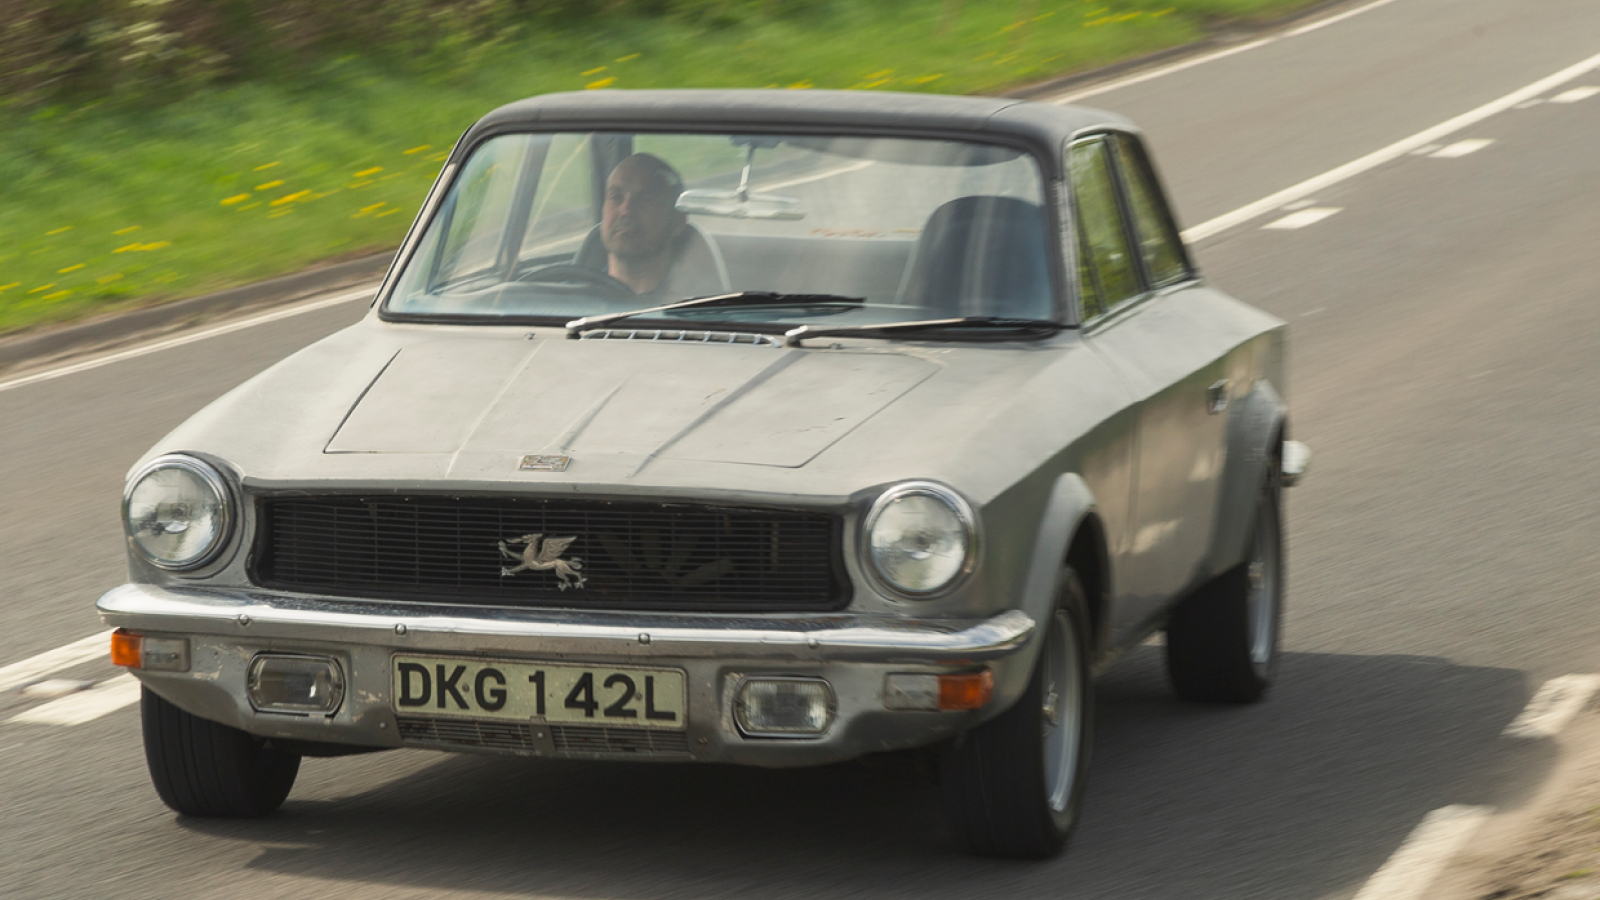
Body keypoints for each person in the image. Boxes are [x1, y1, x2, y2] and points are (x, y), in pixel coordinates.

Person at [592, 153, 722, 298]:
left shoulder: (701, 304)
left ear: (678, 221)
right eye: (616, 197)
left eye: (645, 199)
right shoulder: (577, 295)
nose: (626, 210)